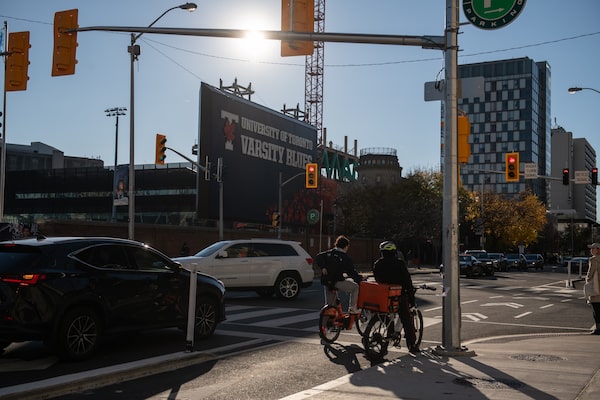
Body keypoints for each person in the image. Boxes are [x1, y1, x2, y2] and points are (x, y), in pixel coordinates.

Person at [372, 241, 420, 353]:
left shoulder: (377, 264)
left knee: (386, 316)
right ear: (394, 252)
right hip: (398, 296)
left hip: (383, 296)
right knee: (406, 318)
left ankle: (387, 339)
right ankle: (412, 345)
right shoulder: (399, 264)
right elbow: (407, 281)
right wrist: (412, 298)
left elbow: (377, 279)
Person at [317, 235, 362, 314]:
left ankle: (327, 319)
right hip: (337, 281)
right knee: (355, 287)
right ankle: (352, 308)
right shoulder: (345, 257)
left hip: (326, 281)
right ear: (346, 246)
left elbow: (319, 257)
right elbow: (351, 272)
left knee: (330, 306)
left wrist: (323, 267)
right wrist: (360, 279)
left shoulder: (329, 253)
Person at [586, 242, 600, 335]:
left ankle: (598, 328)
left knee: (596, 309)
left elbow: (590, 273)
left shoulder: (594, 259)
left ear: (598, 250)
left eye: (593, 248)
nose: (591, 250)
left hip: (596, 287)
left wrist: (587, 279)